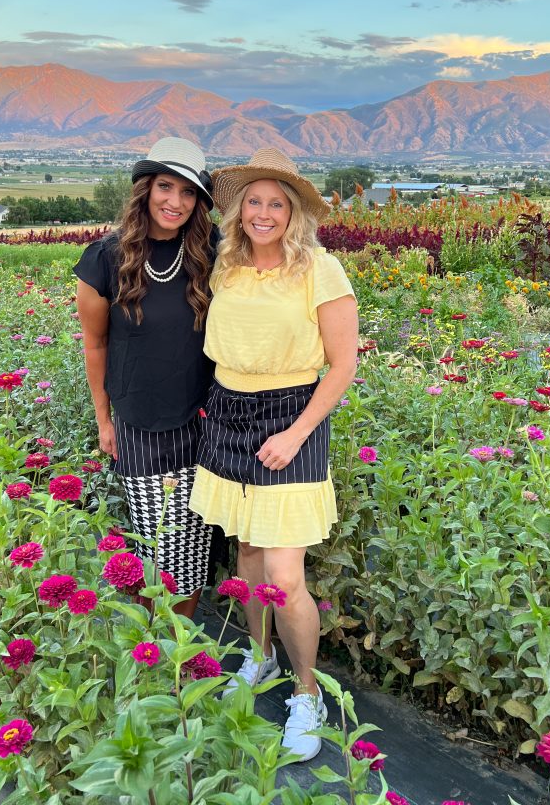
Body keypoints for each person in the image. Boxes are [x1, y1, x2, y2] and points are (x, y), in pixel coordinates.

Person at [189, 147, 358, 761]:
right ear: (239, 211)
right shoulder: (226, 266)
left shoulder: (320, 269)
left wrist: (298, 433)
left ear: (294, 215)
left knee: (286, 579)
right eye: (254, 201)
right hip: (228, 412)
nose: (263, 213)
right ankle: (258, 658)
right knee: (248, 558)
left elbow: (342, 366)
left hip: (292, 417)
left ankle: (306, 693)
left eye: (276, 204)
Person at [74, 137, 217, 619]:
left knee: (194, 550)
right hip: (139, 421)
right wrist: (104, 420)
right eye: (165, 186)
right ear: (145, 189)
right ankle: (153, 652)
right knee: (156, 548)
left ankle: (181, 655)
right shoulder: (105, 258)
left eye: (188, 192)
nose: (174, 202)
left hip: (204, 419)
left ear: (199, 201)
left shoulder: (212, 250)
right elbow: (95, 344)